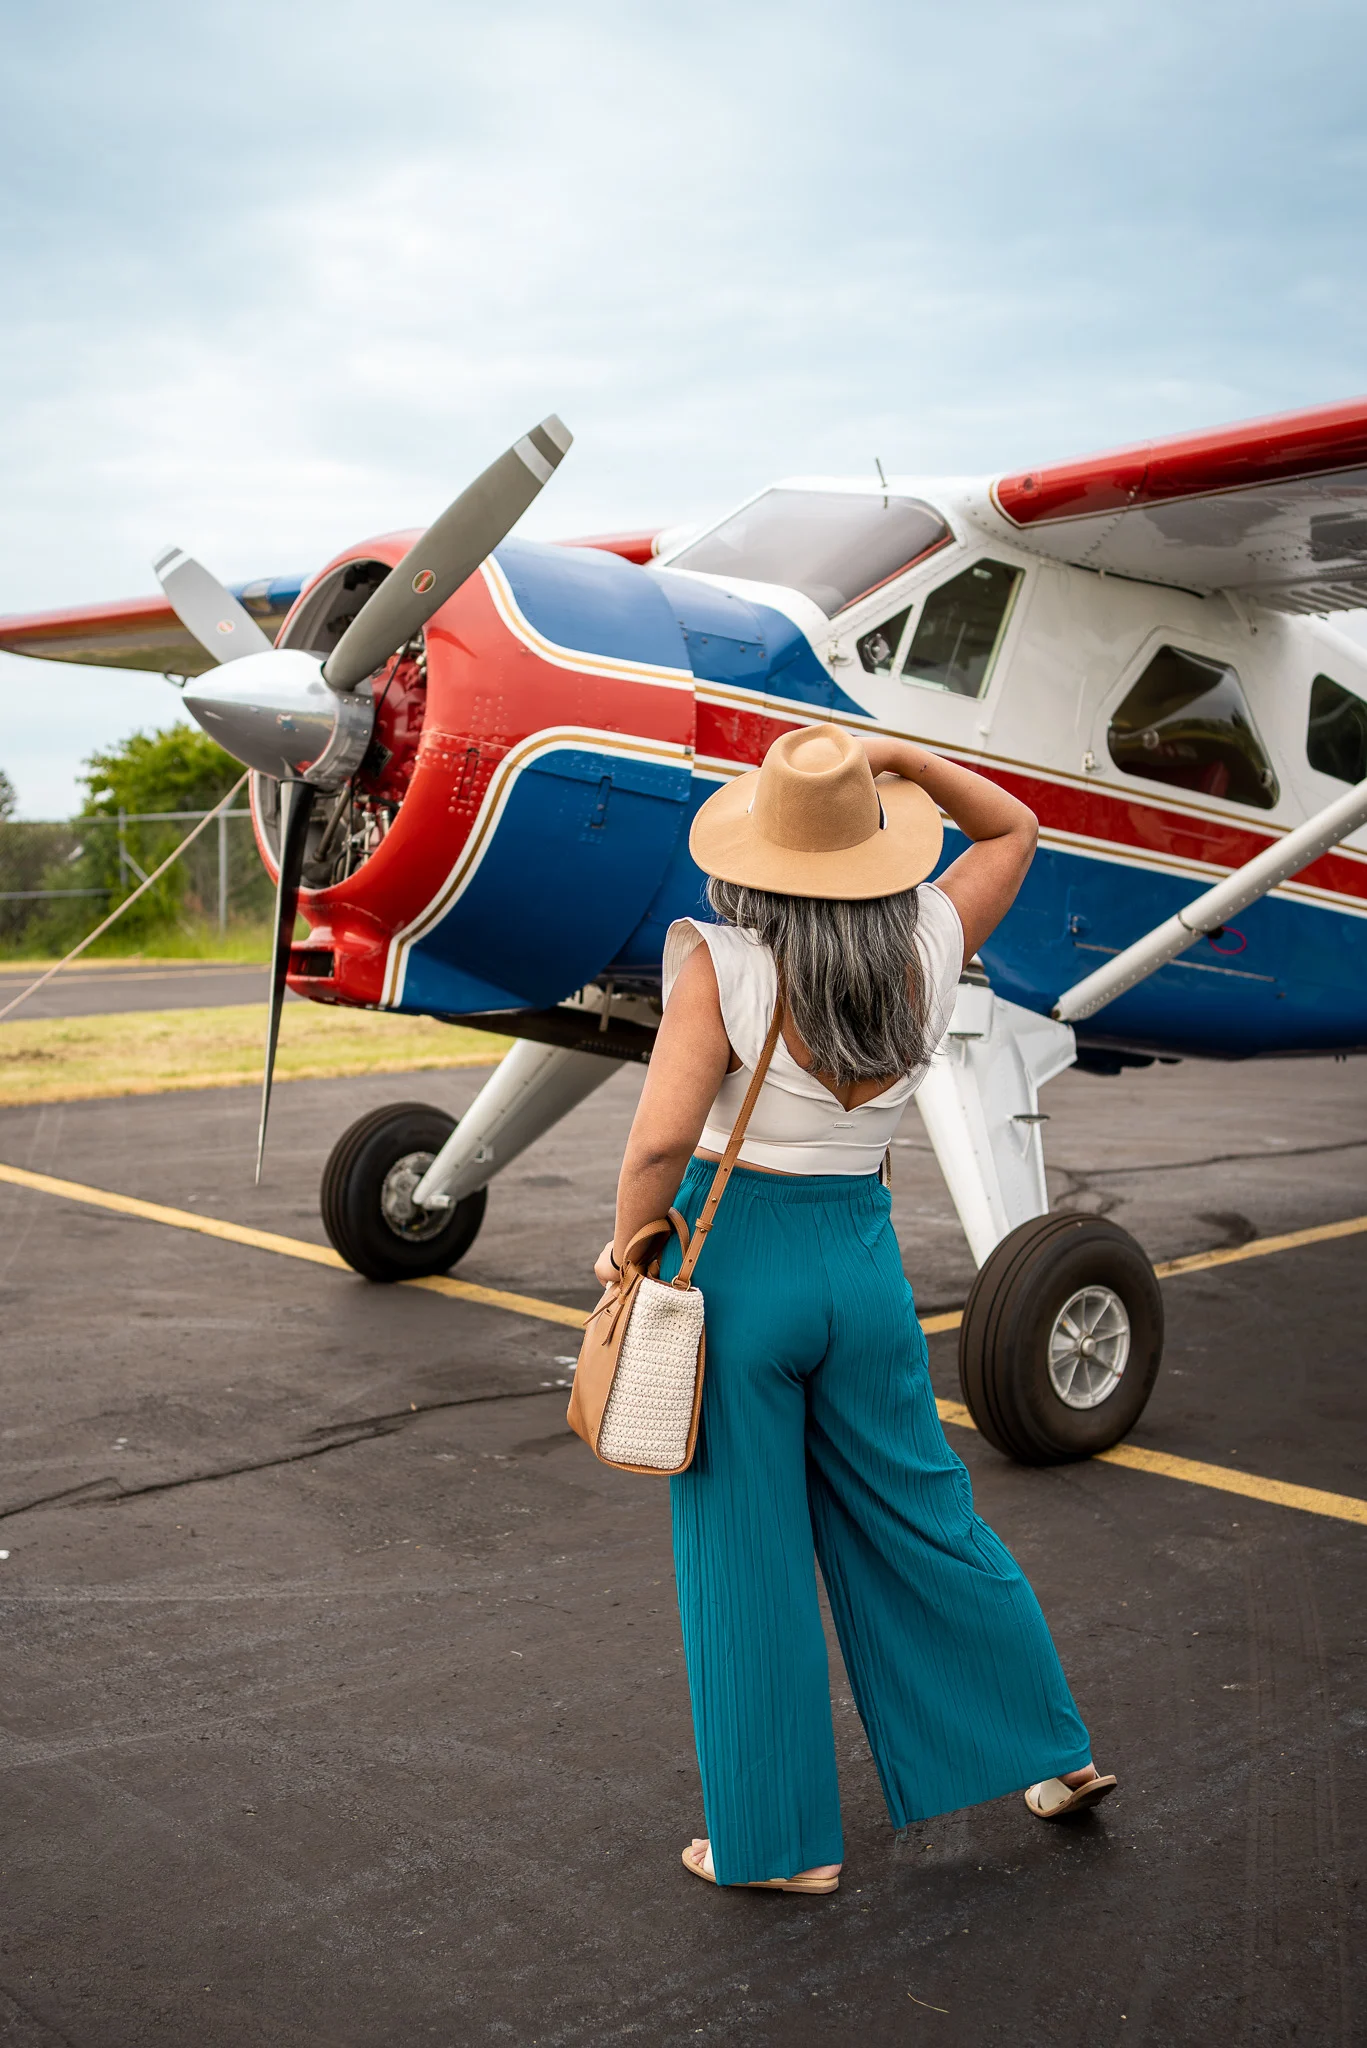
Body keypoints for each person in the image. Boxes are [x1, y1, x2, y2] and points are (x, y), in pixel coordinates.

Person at [595, 722, 1115, 1895]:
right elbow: (1013, 826)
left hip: (735, 1264)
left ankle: (775, 1845)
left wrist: (629, 1248)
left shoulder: (716, 962)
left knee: (744, 1551)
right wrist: (912, 765)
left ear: (756, 854)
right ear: (872, 846)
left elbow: (662, 1136)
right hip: (862, 1262)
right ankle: (1052, 1752)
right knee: (927, 1511)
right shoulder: (930, 940)